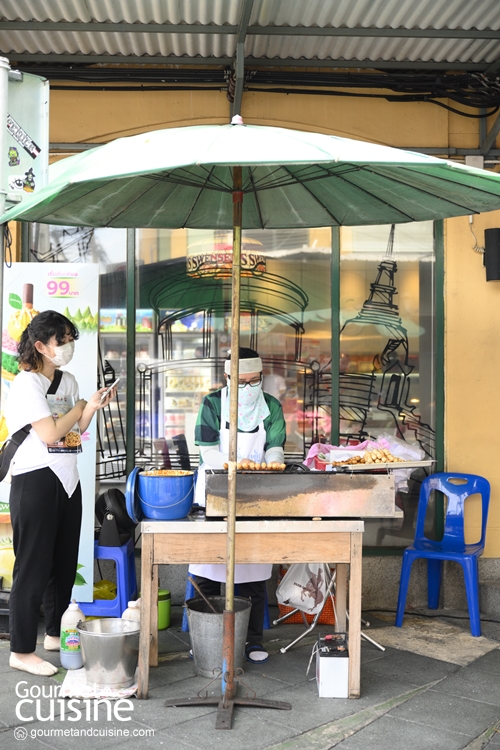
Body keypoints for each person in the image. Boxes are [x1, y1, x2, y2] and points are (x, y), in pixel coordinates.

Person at [5, 310, 116, 676]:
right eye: (61, 340)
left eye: (70, 338)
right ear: (40, 346)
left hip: (68, 477)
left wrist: (90, 408)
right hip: (35, 479)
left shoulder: (66, 380)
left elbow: (71, 434)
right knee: (33, 567)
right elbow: (49, 434)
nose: (68, 345)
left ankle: (54, 633)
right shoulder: (27, 384)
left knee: (64, 562)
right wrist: (79, 408)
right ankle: (20, 650)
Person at [189, 347, 286, 663]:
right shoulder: (213, 404)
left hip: (254, 496)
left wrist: (272, 464)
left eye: (253, 381)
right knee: (208, 569)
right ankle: (204, 638)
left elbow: (275, 446)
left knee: (254, 570)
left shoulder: (271, 406)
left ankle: (252, 641)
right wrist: (233, 465)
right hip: (214, 494)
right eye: (240, 382)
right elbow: (206, 450)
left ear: (261, 377)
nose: (247, 387)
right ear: (227, 378)